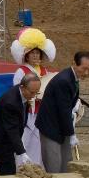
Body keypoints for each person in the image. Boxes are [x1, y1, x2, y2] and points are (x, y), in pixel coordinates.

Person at [35, 50, 89, 174]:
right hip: (50, 127)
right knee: (54, 163)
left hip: (62, 125)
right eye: (84, 69)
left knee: (66, 161)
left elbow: (68, 106)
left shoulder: (73, 77)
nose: (87, 73)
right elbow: (64, 110)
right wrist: (72, 134)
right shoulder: (64, 80)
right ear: (74, 63)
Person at [9, 27, 56, 166]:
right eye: (32, 53)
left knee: (37, 142)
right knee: (24, 139)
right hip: (25, 111)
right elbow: (17, 91)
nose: (36, 56)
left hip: (40, 112)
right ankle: (20, 166)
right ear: (26, 55)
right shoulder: (21, 71)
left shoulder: (45, 71)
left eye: (38, 53)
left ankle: (36, 166)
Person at [0, 73, 41, 175]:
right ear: (22, 87)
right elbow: (12, 130)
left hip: (6, 135)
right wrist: (22, 153)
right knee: (7, 169)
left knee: (8, 166)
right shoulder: (11, 102)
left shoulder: (23, 94)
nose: (33, 96)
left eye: (36, 93)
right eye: (32, 92)